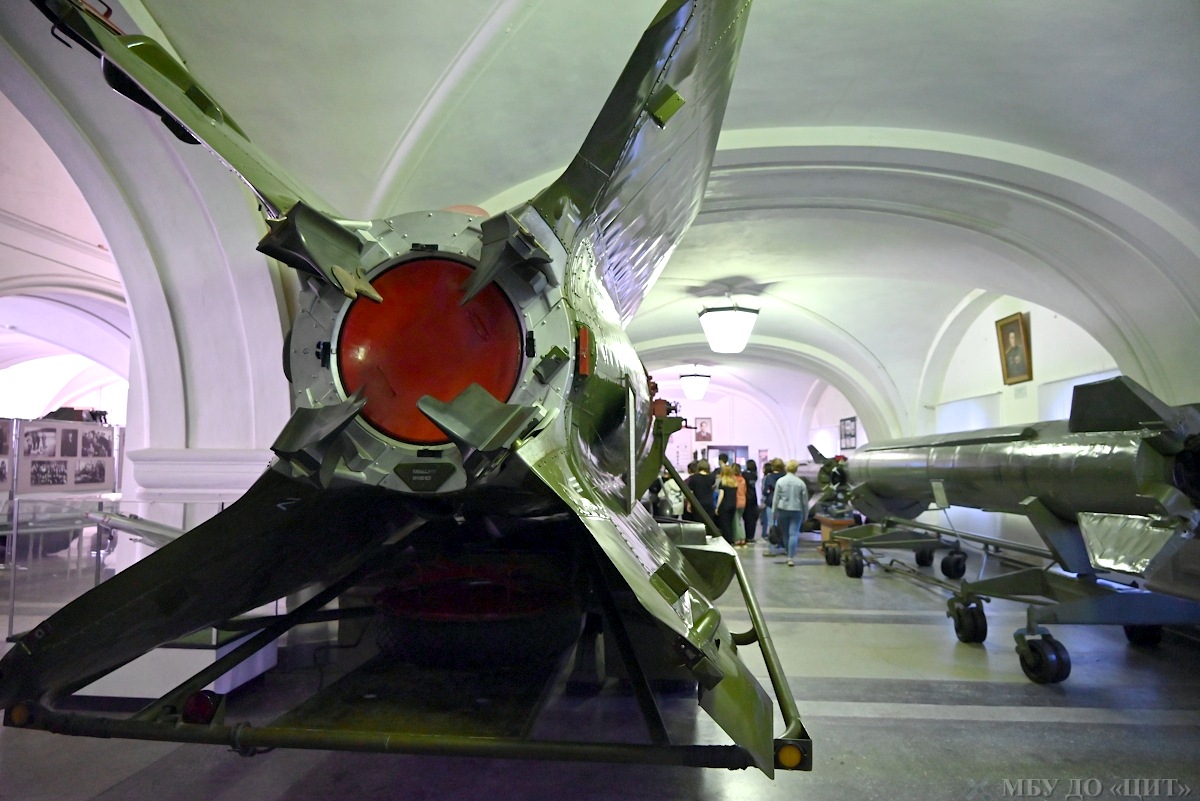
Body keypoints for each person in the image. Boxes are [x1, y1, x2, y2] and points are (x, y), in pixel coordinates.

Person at [771, 460, 810, 567]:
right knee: (794, 534)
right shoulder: (800, 483)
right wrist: (806, 514)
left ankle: (788, 553)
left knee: (785, 534)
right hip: (796, 511)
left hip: (782, 510)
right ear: (796, 469)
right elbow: (805, 501)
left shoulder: (780, 481)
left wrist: (774, 512)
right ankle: (790, 557)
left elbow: (776, 499)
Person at [761, 458, 784, 555]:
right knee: (782, 526)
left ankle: (772, 549)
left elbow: (765, 491)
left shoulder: (769, 477)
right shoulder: (785, 476)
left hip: (771, 502)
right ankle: (783, 547)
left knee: (772, 526)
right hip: (783, 503)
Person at [684, 461, 716, 528]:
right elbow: (713, 488)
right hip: (709, 503)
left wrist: (689, 504)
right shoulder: (712, 477)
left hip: (697, 504)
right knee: (709, 524)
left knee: (698, 524)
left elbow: (691, 493)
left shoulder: (694, 478)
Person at [714, 464, 739, 545]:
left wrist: (717, 507)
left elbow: (721, 495)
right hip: (733, 505)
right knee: (730, 523)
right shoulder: (734, 482)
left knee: (724, 524)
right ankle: (731, 539)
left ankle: (727, 540)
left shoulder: (723, 482)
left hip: (724, 505)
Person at [742, 459, 759, 543]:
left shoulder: (745, 475)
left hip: (746, 497)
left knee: (747, 518)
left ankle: (747, 536)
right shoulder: (755, 475)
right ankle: (751, 536)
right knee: (753, 519)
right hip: (754, 498)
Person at [732, 463, 748, 546]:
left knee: (735, 522)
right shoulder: (742, 479)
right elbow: (745, 490)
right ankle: (742, 537)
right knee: (739, 520)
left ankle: (738, 538)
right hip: (743, 501)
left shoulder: (733, 480)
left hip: (736, 501)